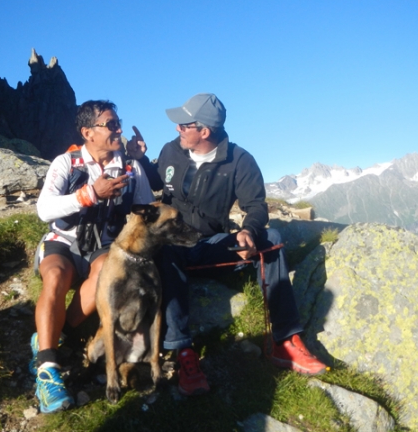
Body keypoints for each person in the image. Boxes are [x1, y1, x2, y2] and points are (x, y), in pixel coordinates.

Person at [126, 93, 328, 396]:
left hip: (212, 245)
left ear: (204, 131)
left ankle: (285, 342)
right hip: (174, 247)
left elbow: (257, 206)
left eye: (184, 125)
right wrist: (141, 158)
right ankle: (183, 352)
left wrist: (248, 230)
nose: (177, 129)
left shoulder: (239, 161)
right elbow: (159, 182)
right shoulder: (172, 150)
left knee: (271, 240)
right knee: (165, 249)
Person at [31, 100, 154, 413]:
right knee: (56, 276)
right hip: (63, 240)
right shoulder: (67, 163)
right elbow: (44, 210)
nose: (119, 130)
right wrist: (90, 194)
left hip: (103, 243)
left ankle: (56, 333)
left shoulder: (129, 166)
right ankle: (47, 370)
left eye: (118, 123)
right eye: (111, 125)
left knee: (106, 273)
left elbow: (145, 209)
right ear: (88, 132)